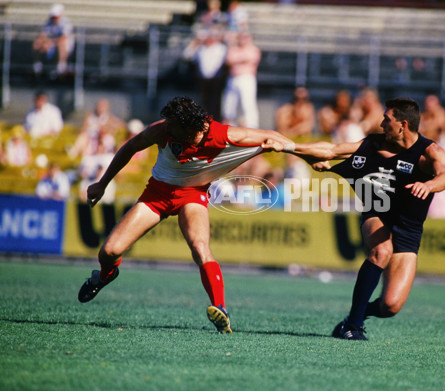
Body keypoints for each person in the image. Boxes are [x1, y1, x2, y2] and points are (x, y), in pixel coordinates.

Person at [77, 96, 295, 334]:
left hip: (192, 194)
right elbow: (130, 147)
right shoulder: (162, 130)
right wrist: (102, 183)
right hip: (157, 194)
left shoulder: (219, 133)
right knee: (109, 251)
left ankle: (220, 308)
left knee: (200, 247)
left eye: (172, 125)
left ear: (188, 127)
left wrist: (302, 152)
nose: (167, 127)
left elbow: (268, 135)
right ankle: (105, 276)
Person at [287, 97, 445, 340]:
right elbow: (332, 150)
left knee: (390, 306)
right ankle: (352, 326)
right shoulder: (372, 143)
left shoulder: (430, 152)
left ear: (403, 125)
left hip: (409, 230)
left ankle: (356, 315)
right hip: (377, 212)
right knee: (381, 251)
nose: (382, 123)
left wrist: (429, 186)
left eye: (387, 119)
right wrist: (288, 146)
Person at [182, 28, 228, 121]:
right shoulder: (201, 48)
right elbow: (186, 55)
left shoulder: (221, 48)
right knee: (204, 102)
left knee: (215, 102)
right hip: (203, 80)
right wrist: (196, 42)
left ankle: (216, 121)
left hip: (216, 79)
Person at [221, 31, 261, 128]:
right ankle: (229, 123)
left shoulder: (253, 49)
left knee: (247, 102)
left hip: (247, 78)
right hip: (233, 78)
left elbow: (251, 60)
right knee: (230, 102)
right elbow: (229, 61)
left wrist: (238, 60)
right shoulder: (233, 49)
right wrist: (241, 60)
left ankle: (251, 125)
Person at [32, 3, 74, 77]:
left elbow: (64, 38)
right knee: (37, 43)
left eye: (56, 17)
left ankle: (61, 66)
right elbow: (42, 35)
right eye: (53, 17)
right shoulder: (49, 22)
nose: (54, 18)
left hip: (66, 44)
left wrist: (51, 42)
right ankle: (38, 64)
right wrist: (44, 41)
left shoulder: (66, 22)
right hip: (52, 42)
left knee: (62, 43)